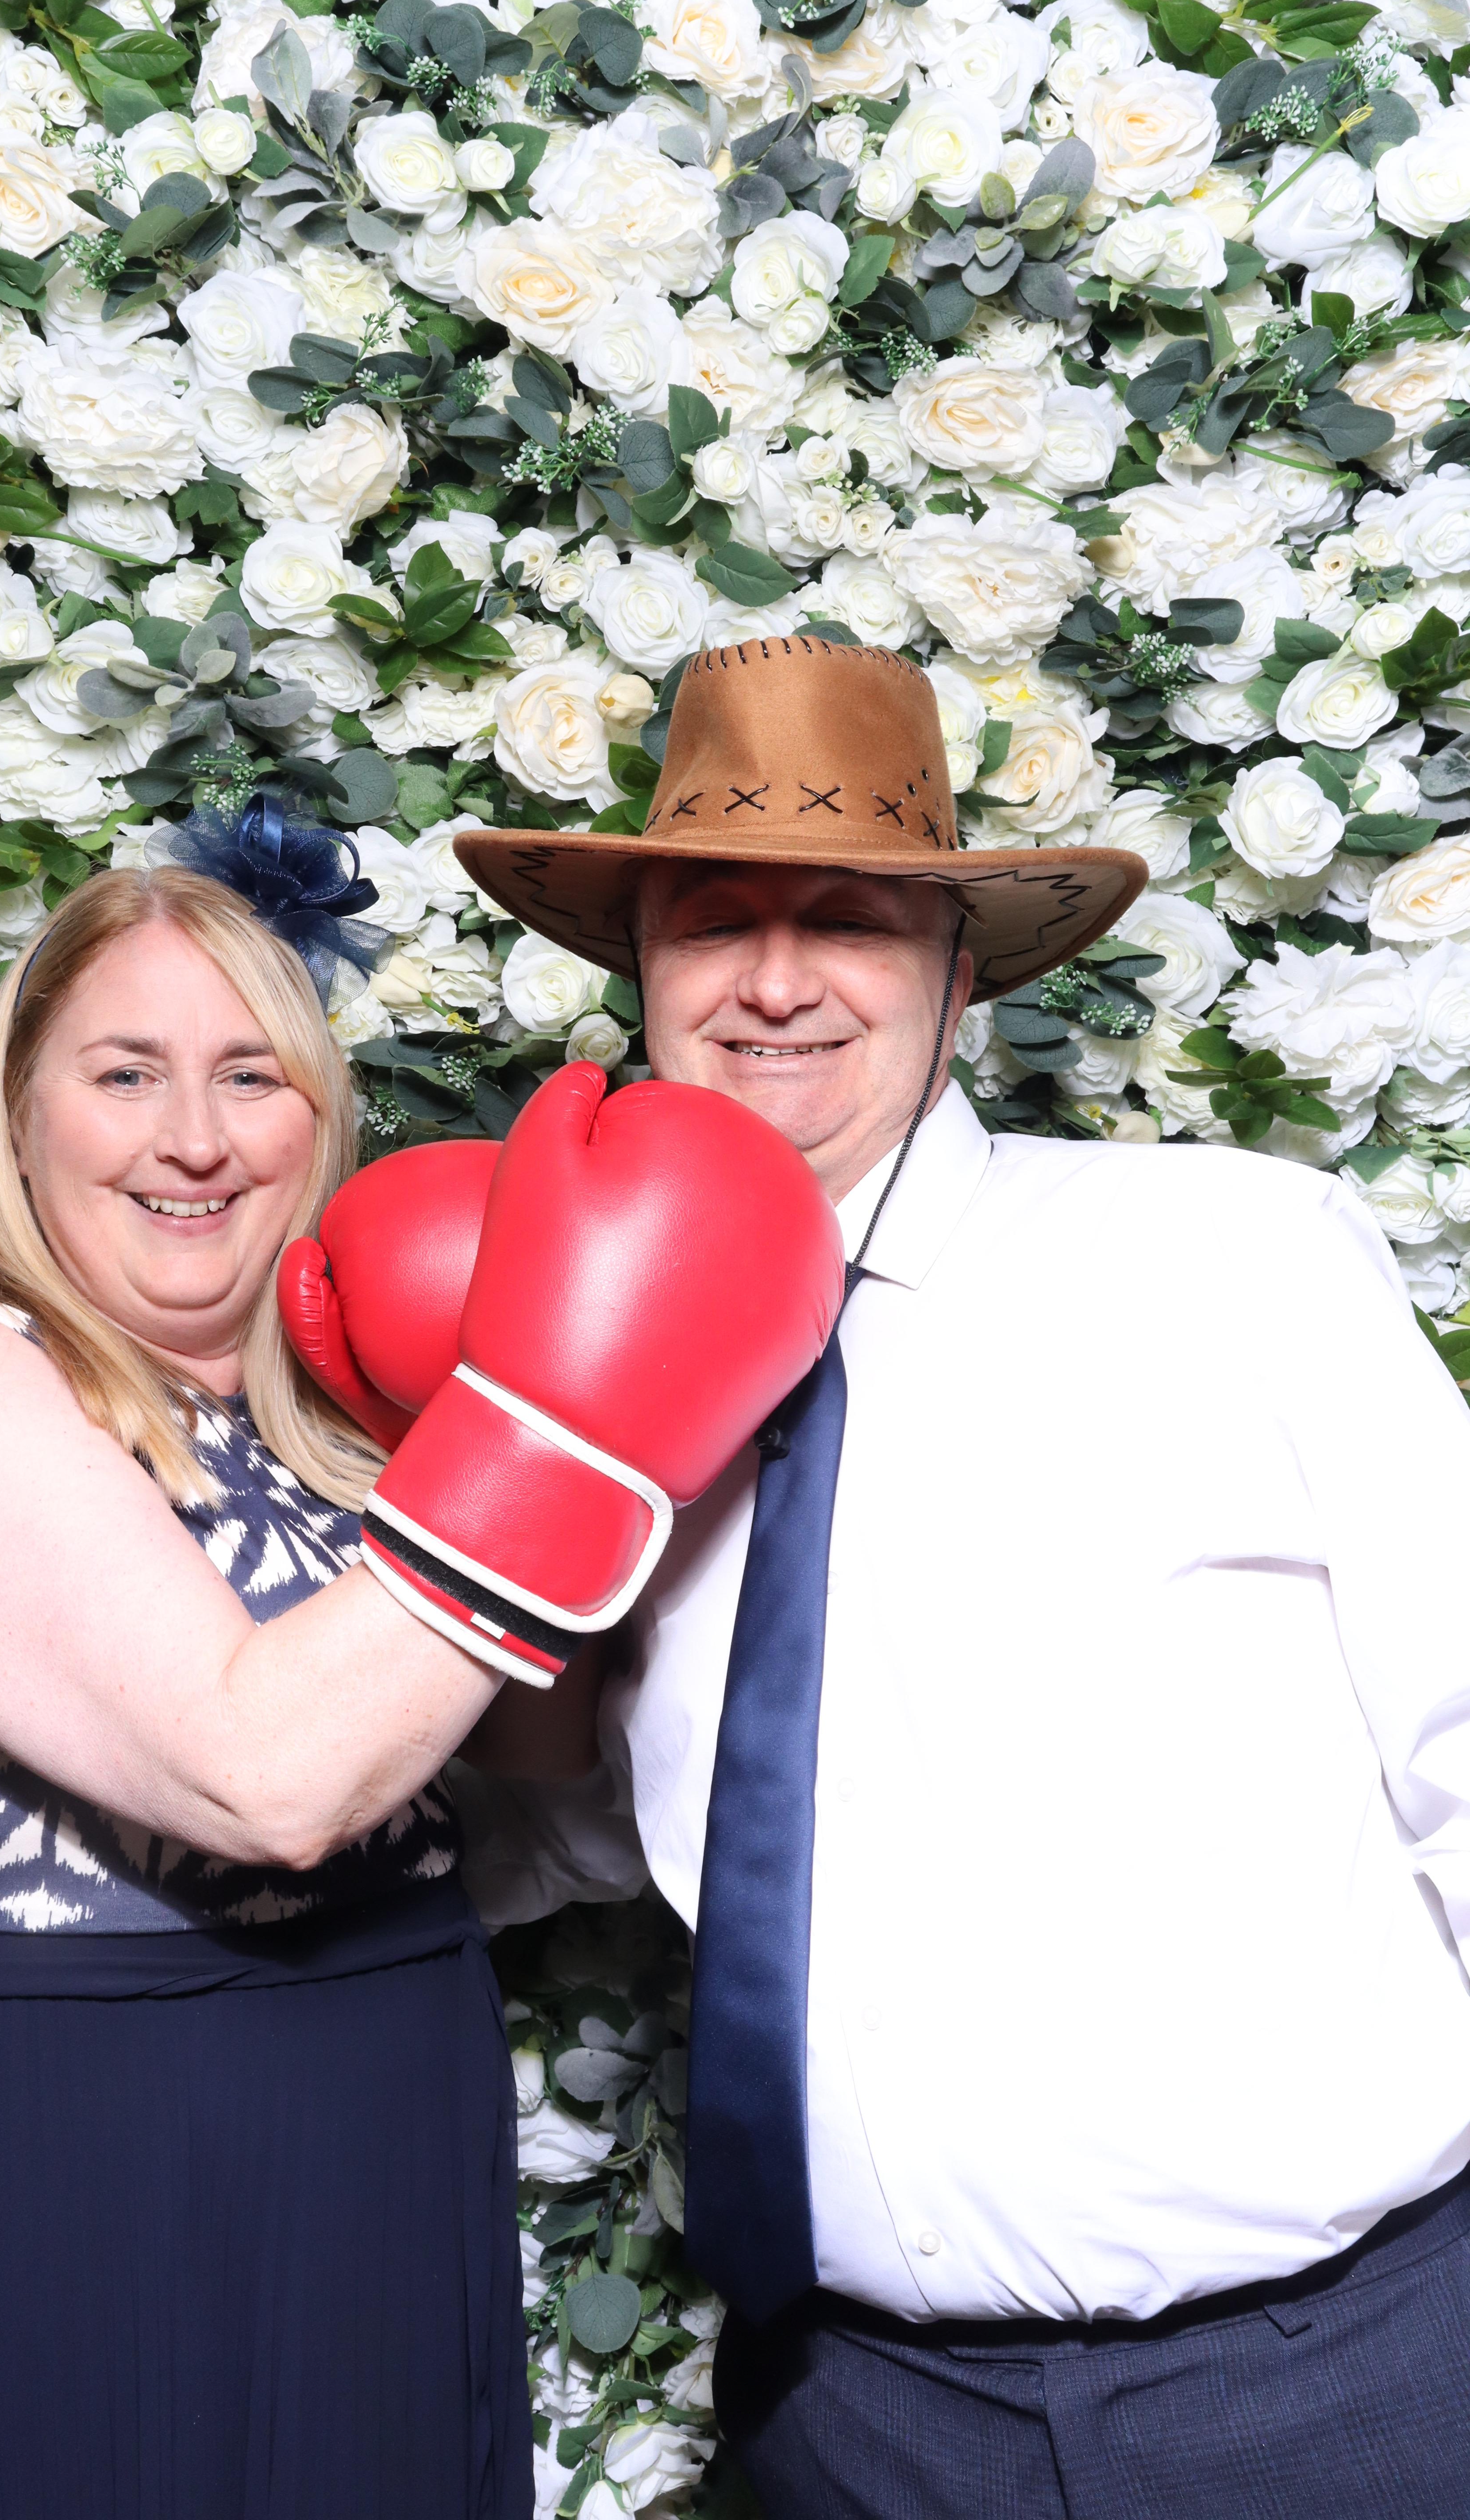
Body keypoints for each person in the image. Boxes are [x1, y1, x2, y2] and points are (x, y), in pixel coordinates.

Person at [450, 636, 1470, 2520]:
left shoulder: (1238, 1259)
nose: (773, 982)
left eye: (845, 919)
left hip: (1341, 2385)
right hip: (852, 2420)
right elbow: (579, 1836)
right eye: (711, 925)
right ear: (643, 979)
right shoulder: (586, 1367)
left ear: (958, 973)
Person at [0, 808, 841, 2520]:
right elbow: (266, 1780)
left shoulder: (338, 1425)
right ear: (20, 1117)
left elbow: (532, 1768)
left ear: (317, 1117)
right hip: (83, 2155)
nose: (194, 1139)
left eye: (250, 1077)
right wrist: (556, 1431)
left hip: (384, 2117)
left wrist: (526, 1400)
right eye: (126, 1075)